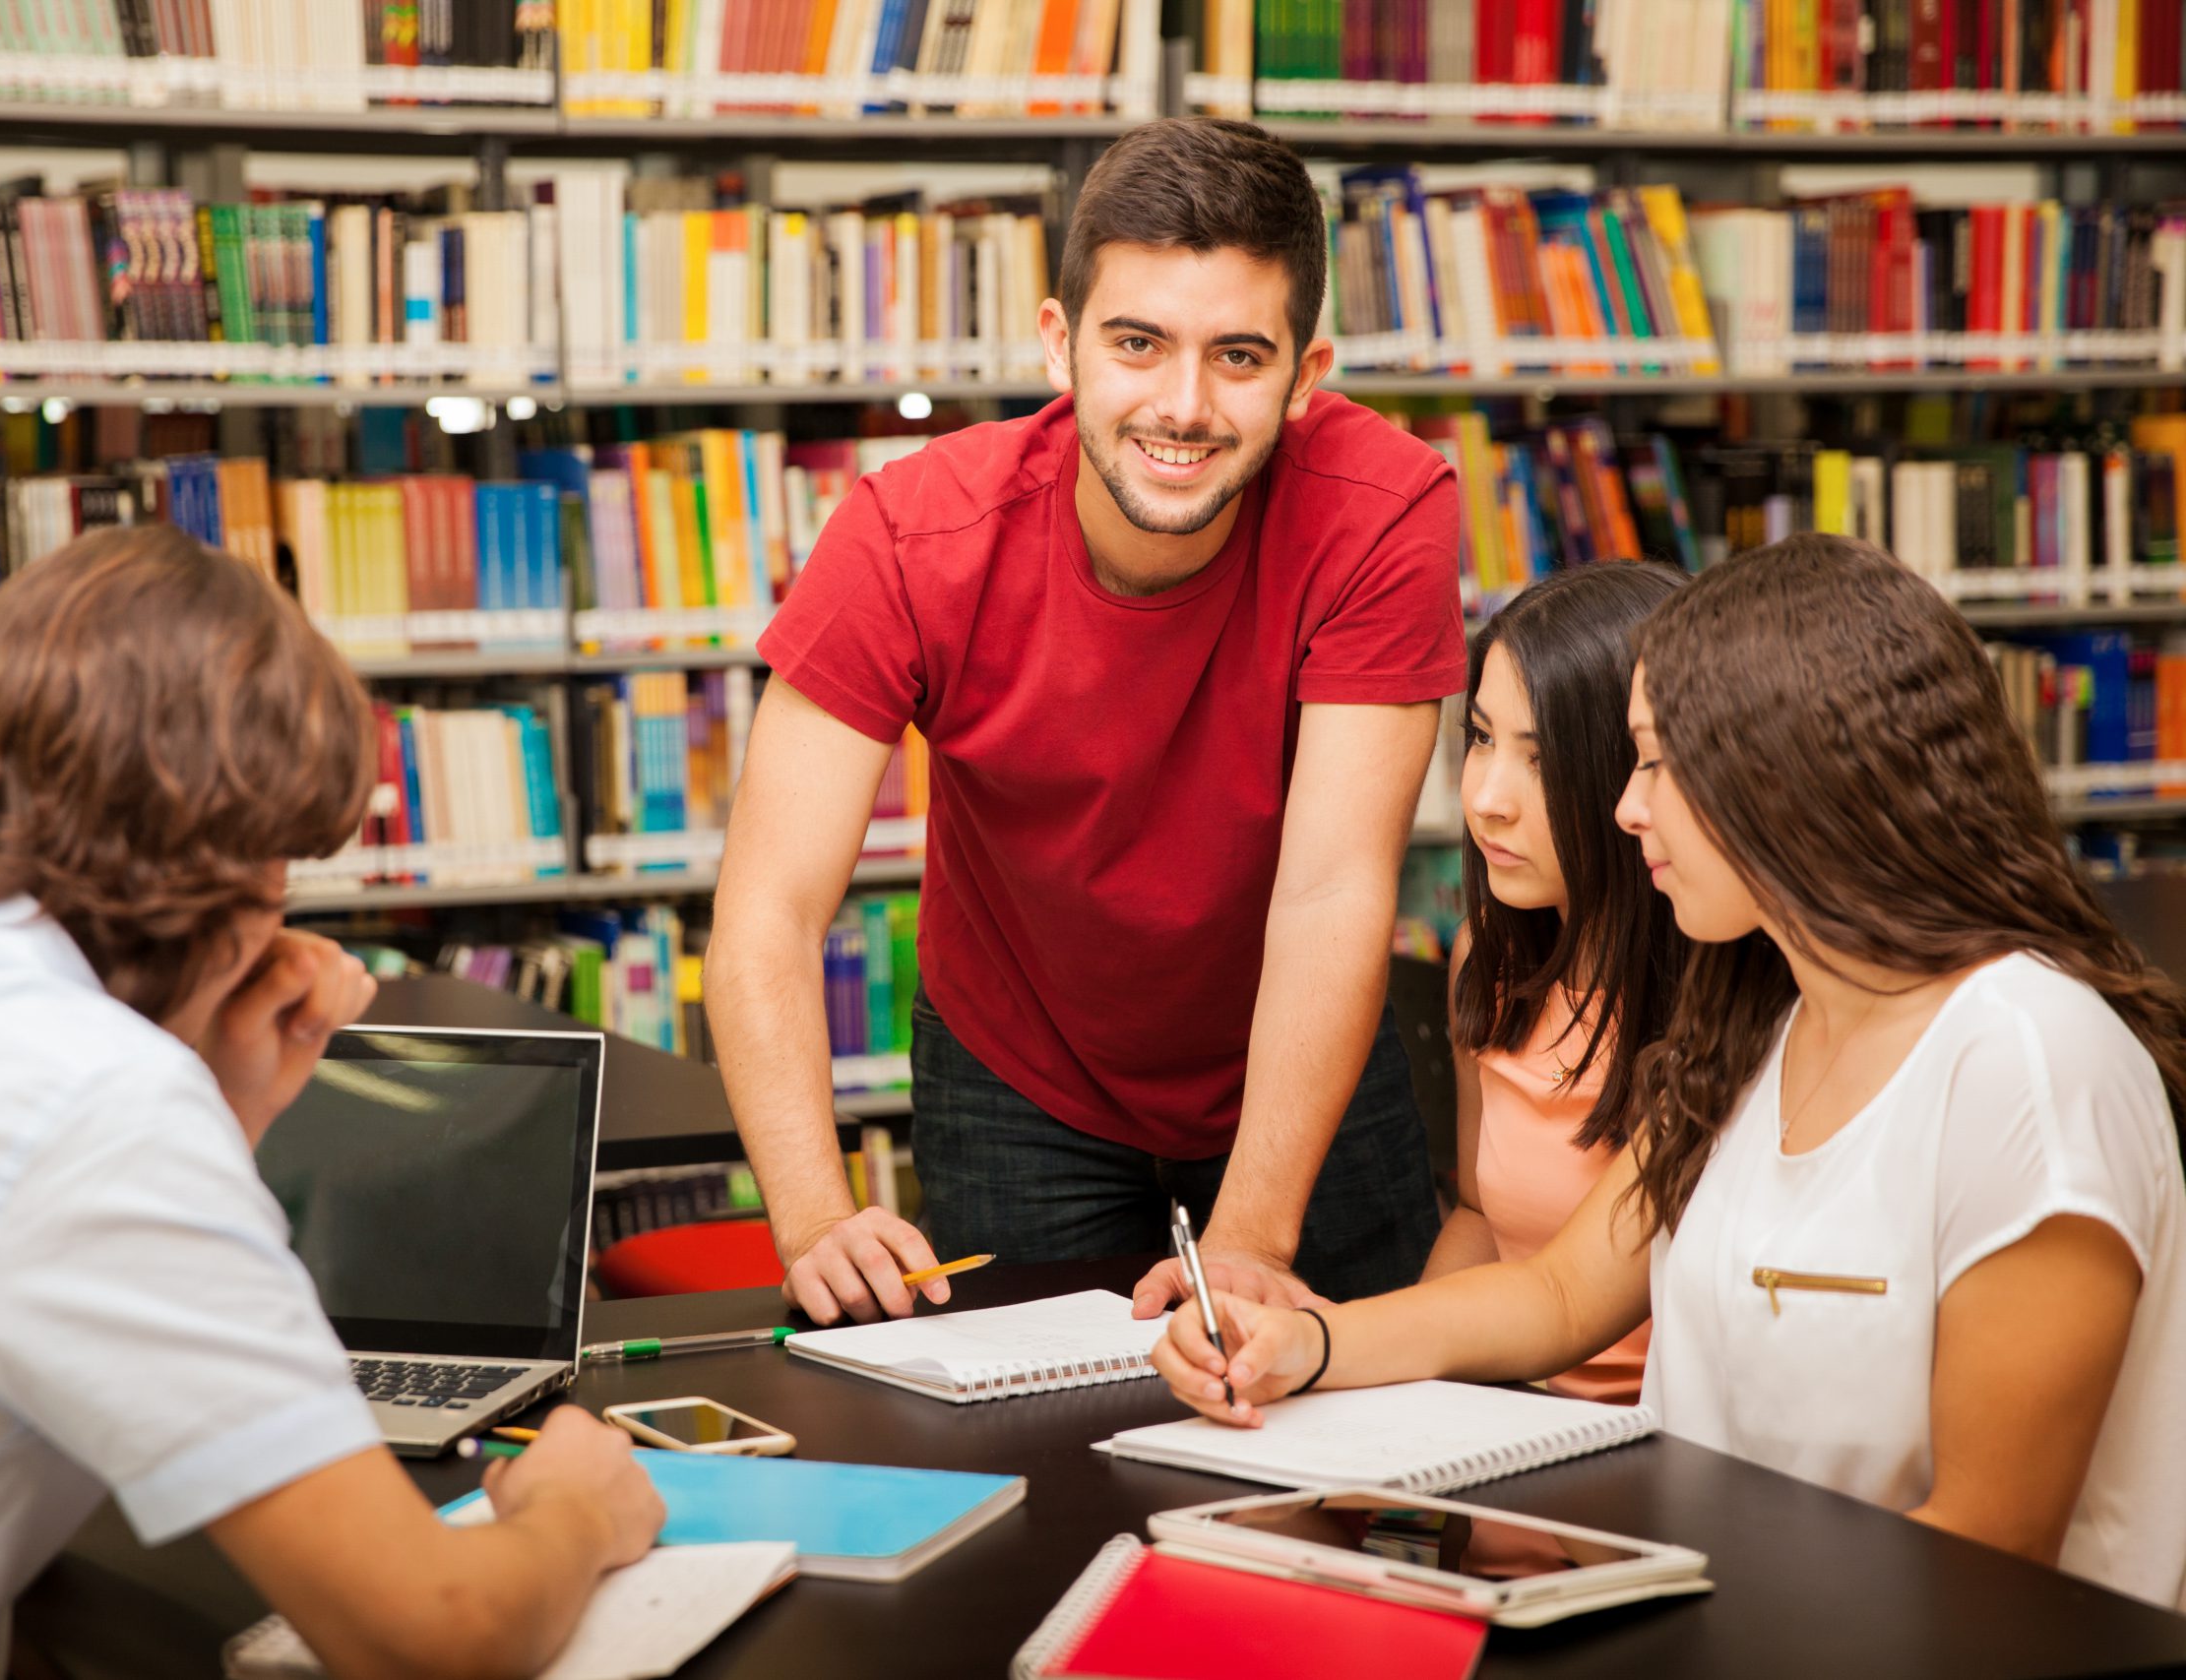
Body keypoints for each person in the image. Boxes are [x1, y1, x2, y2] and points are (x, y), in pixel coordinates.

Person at [0, 528, 662, 1680]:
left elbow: (10, 1297)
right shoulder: (93, 1101)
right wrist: (577, 1508)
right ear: (224, 859)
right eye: (285, 866)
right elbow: (427, 1638)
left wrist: (220, 1109)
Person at [1152, 533, 2186, 1610]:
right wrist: (1299, 1345)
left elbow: (1986, 1559)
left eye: (1653, 763)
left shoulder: (2026, 1062)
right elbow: (1558, 1293)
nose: (1625, 809)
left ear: (1785, 776)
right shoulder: (1764, 1032)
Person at [706, 116, 1466, 1327]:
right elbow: (768, 911)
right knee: (1040, 1475)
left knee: (1357, 1481)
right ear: (1059, 345)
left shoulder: (1385, 512)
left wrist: (1254, 1239)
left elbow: (1332, 893)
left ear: (1305, 375)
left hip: (1295, 1070)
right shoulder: (909, 536)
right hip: (1019, 1078)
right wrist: (813, 1214)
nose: (1183, 405)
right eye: (1136, 343)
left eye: (1237, 356)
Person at [1424, 562, 1690, 1403]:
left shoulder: (1723, 999)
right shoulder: (1491, 959)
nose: (1487, 798)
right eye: (1479, 736)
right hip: (1517, 1420)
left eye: (1540, 760)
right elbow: (1477, 1219)